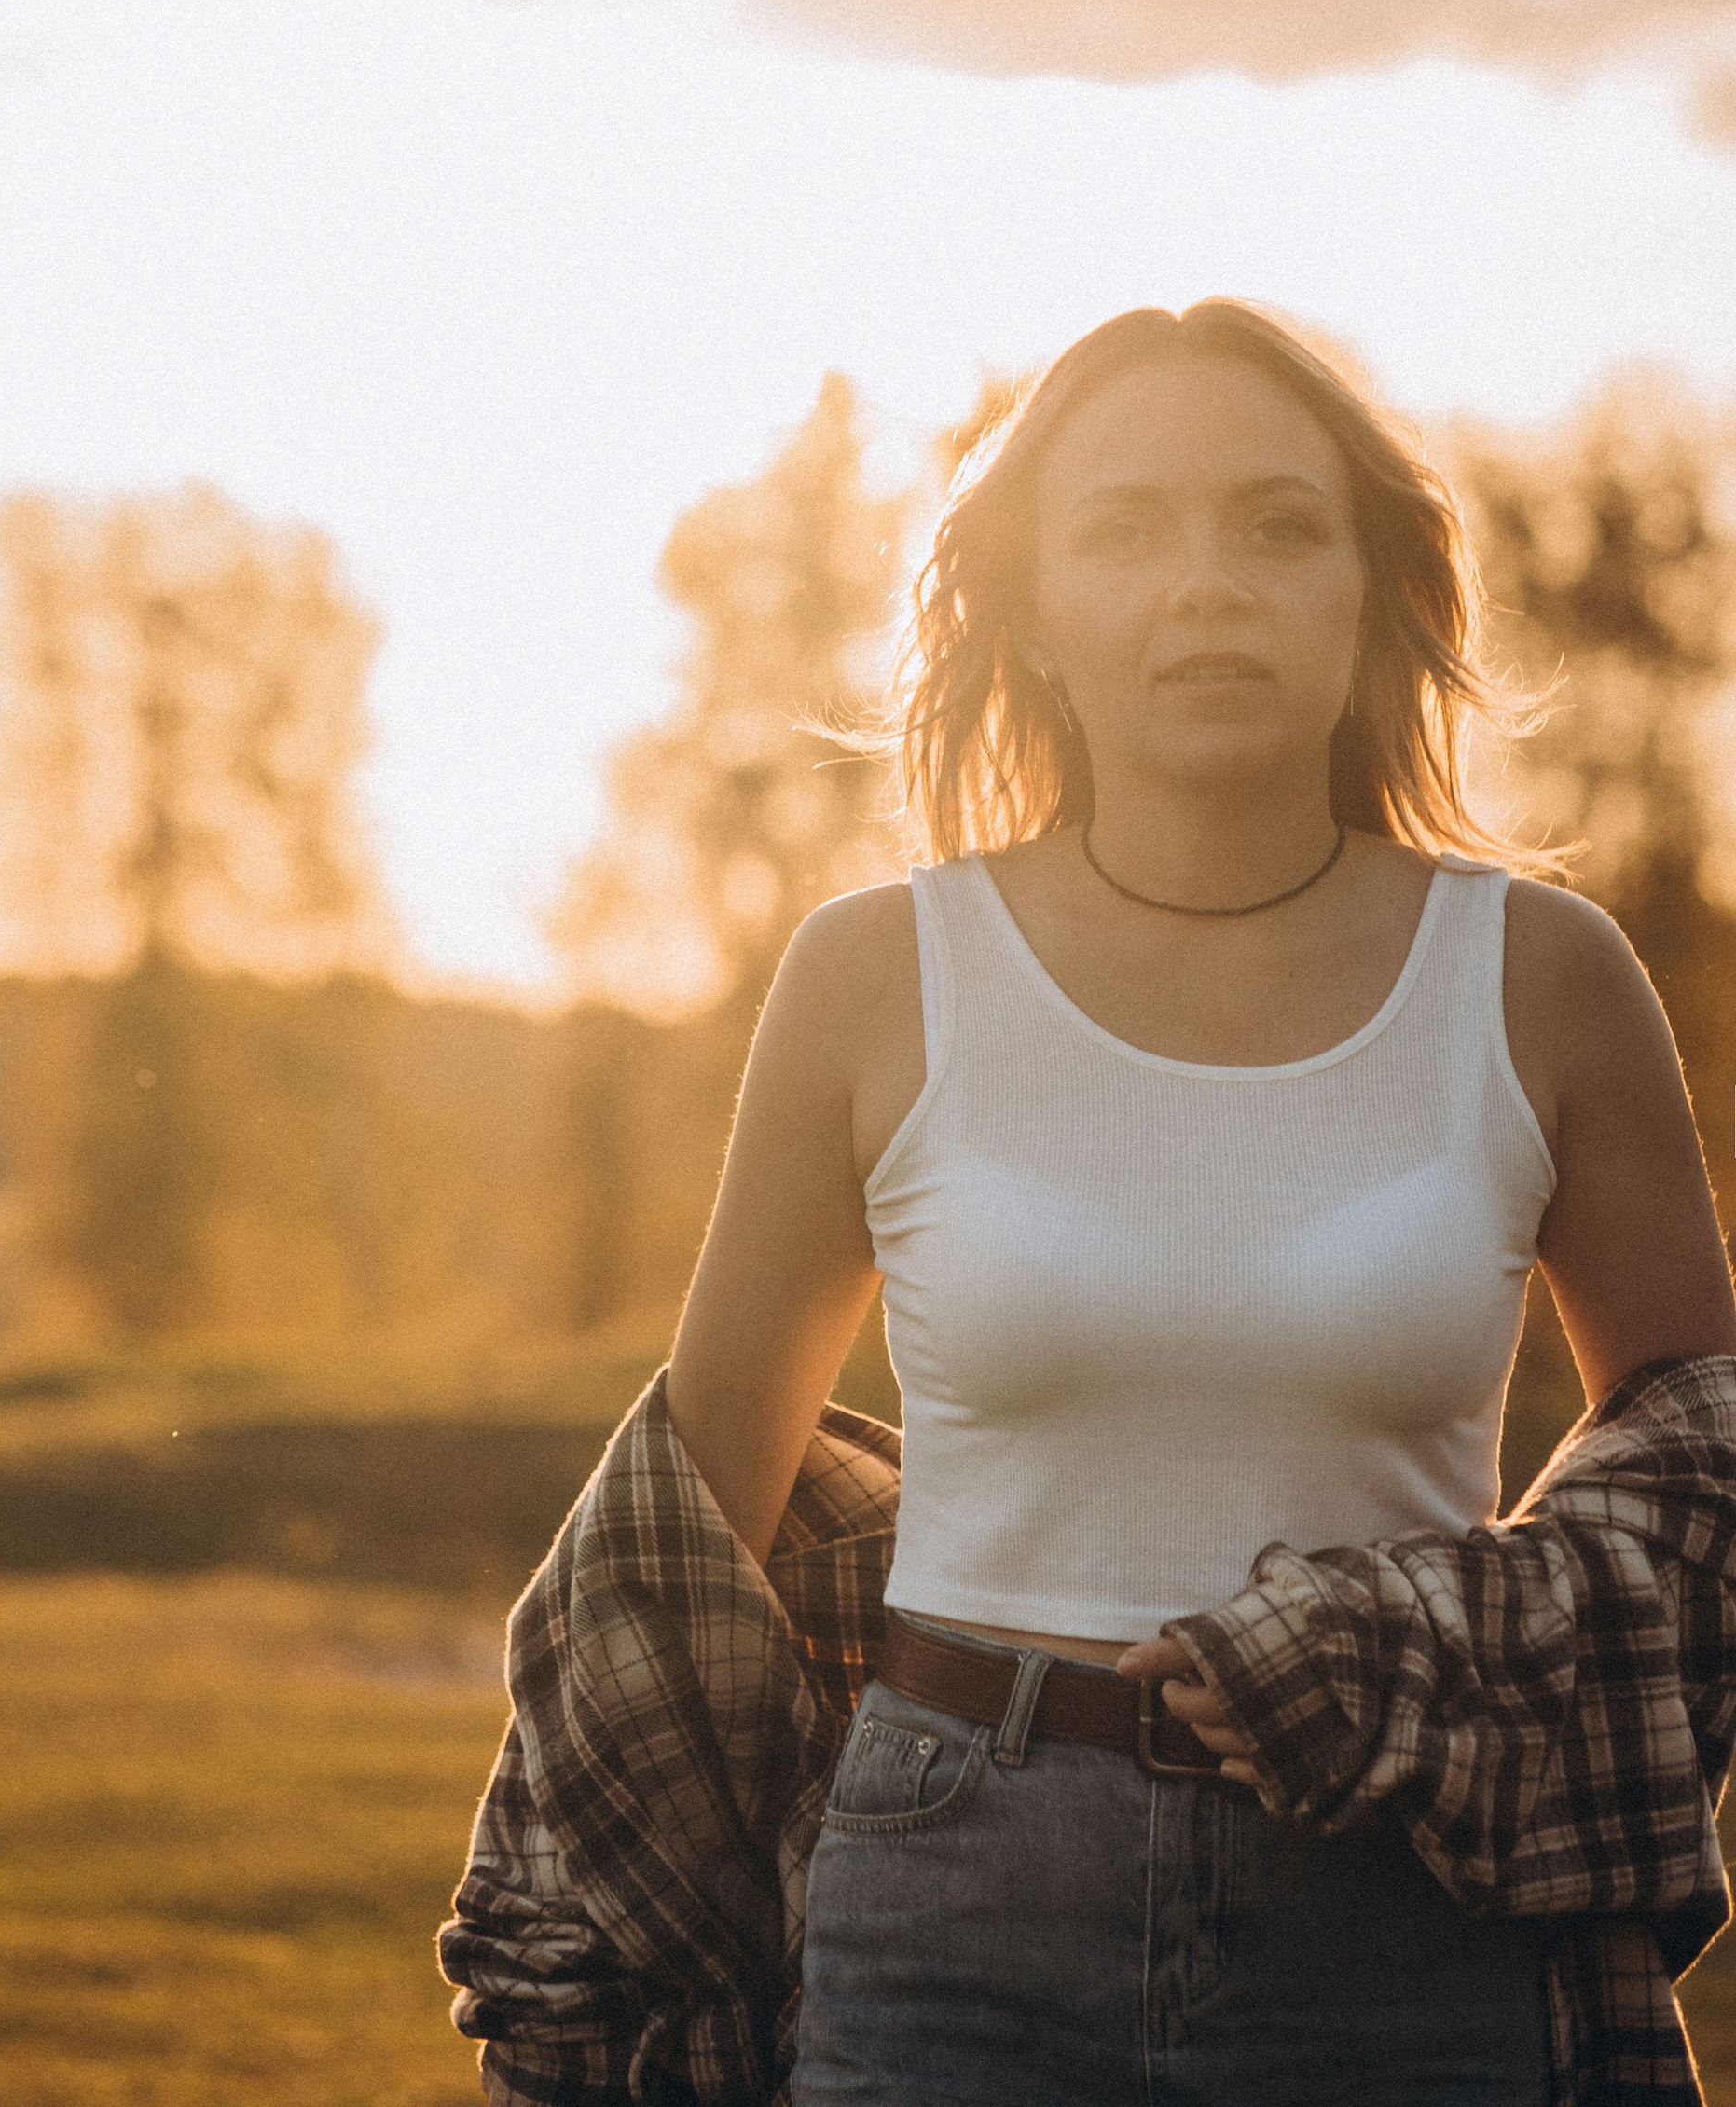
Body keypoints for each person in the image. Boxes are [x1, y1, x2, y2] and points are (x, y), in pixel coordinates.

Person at [655, 297, 1736, 2105]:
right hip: (947, 1896)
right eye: (1122, 526)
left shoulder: (1540, 976)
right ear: (1033, 616)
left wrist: (1410, 1648)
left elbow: (1704, 1465)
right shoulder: (870, 978)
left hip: (1406, 1902)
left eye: (1274, 524)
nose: (1205, 583)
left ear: (1370, 595)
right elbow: (688, 1534)